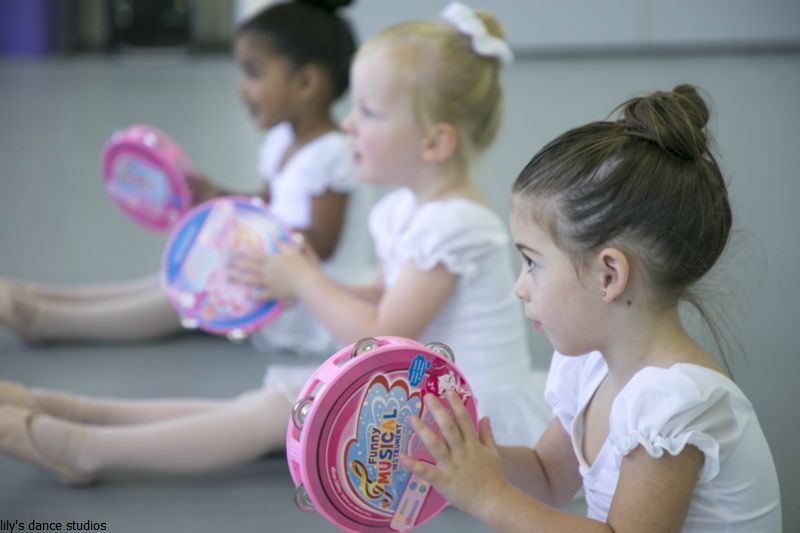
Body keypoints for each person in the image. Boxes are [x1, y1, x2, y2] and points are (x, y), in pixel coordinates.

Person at [0, 2, 550, 486]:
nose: (349, 126)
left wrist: (306, 282)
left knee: (274, 410)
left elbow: (381, 335)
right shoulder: (410, 209)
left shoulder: (454, 225)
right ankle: (70, 411)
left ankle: (85, 448)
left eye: (369, 112)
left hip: (458, 425)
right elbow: (380, 295)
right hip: (416, 393)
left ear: (434, 142)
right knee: (268, 406)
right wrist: (314, 277)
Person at [399, 85, 782, 532]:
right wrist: (461, 458)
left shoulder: (673, 403)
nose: (519, 287)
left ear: (608, 276)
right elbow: (546, 476)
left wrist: (488, 496)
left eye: (531, 262)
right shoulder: (590, 370)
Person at [0, 0, 362, 356]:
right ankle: (35, 296)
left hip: (303, 299)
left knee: (182, 291)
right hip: (269, 274)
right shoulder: (282, 139)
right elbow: (267, 205)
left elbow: (321, 245)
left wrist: (233, 238)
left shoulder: (331, 154)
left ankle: (46, 320)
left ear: (306, 82)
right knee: (172, 276)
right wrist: (218, 196)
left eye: (254, 73)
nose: (242, 89)